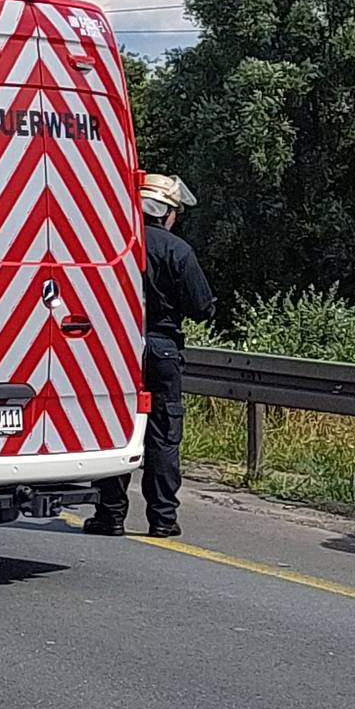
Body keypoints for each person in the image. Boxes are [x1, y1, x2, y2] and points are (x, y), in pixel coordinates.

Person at [91, 171, 213, 538]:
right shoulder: (178, 250)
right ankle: (162, 520)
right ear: (169, 213)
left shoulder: (113, 243)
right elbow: (202, 307)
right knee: (162, 434)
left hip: (117, 349)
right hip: (161, 348)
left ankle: (110, 516)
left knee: (117, 430)